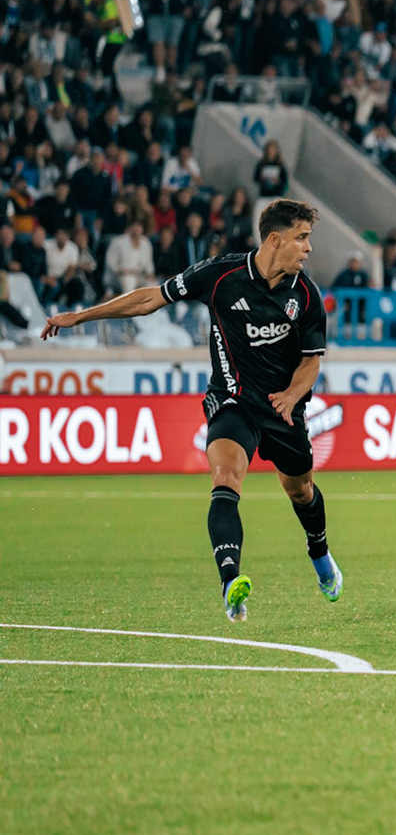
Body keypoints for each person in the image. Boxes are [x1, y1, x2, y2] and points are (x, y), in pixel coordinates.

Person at [41, 199, 341, 619]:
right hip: (232, 399)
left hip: (282, 408)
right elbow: (150, 299)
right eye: (302, 238)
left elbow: (311, 360)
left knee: (301, 489)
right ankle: (230, 582)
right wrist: (82, 316)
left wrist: (292, 395)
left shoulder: (306, 294)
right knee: (226, 476)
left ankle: (320, 553)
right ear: (275, 239)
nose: (309, 248)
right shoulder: (219, 275)